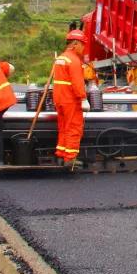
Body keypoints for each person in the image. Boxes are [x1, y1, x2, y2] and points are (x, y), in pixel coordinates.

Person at [52, 29, 88, 169]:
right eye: (83, 45)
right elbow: (77, 83)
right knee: (73, 127)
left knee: (63, 127)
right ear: (75, 43)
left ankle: (61, 154)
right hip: (70, 99)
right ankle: (70, 159)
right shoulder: (73, 60)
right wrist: (83, 99)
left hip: (59, 99)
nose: (83, 48)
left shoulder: (61, 58)